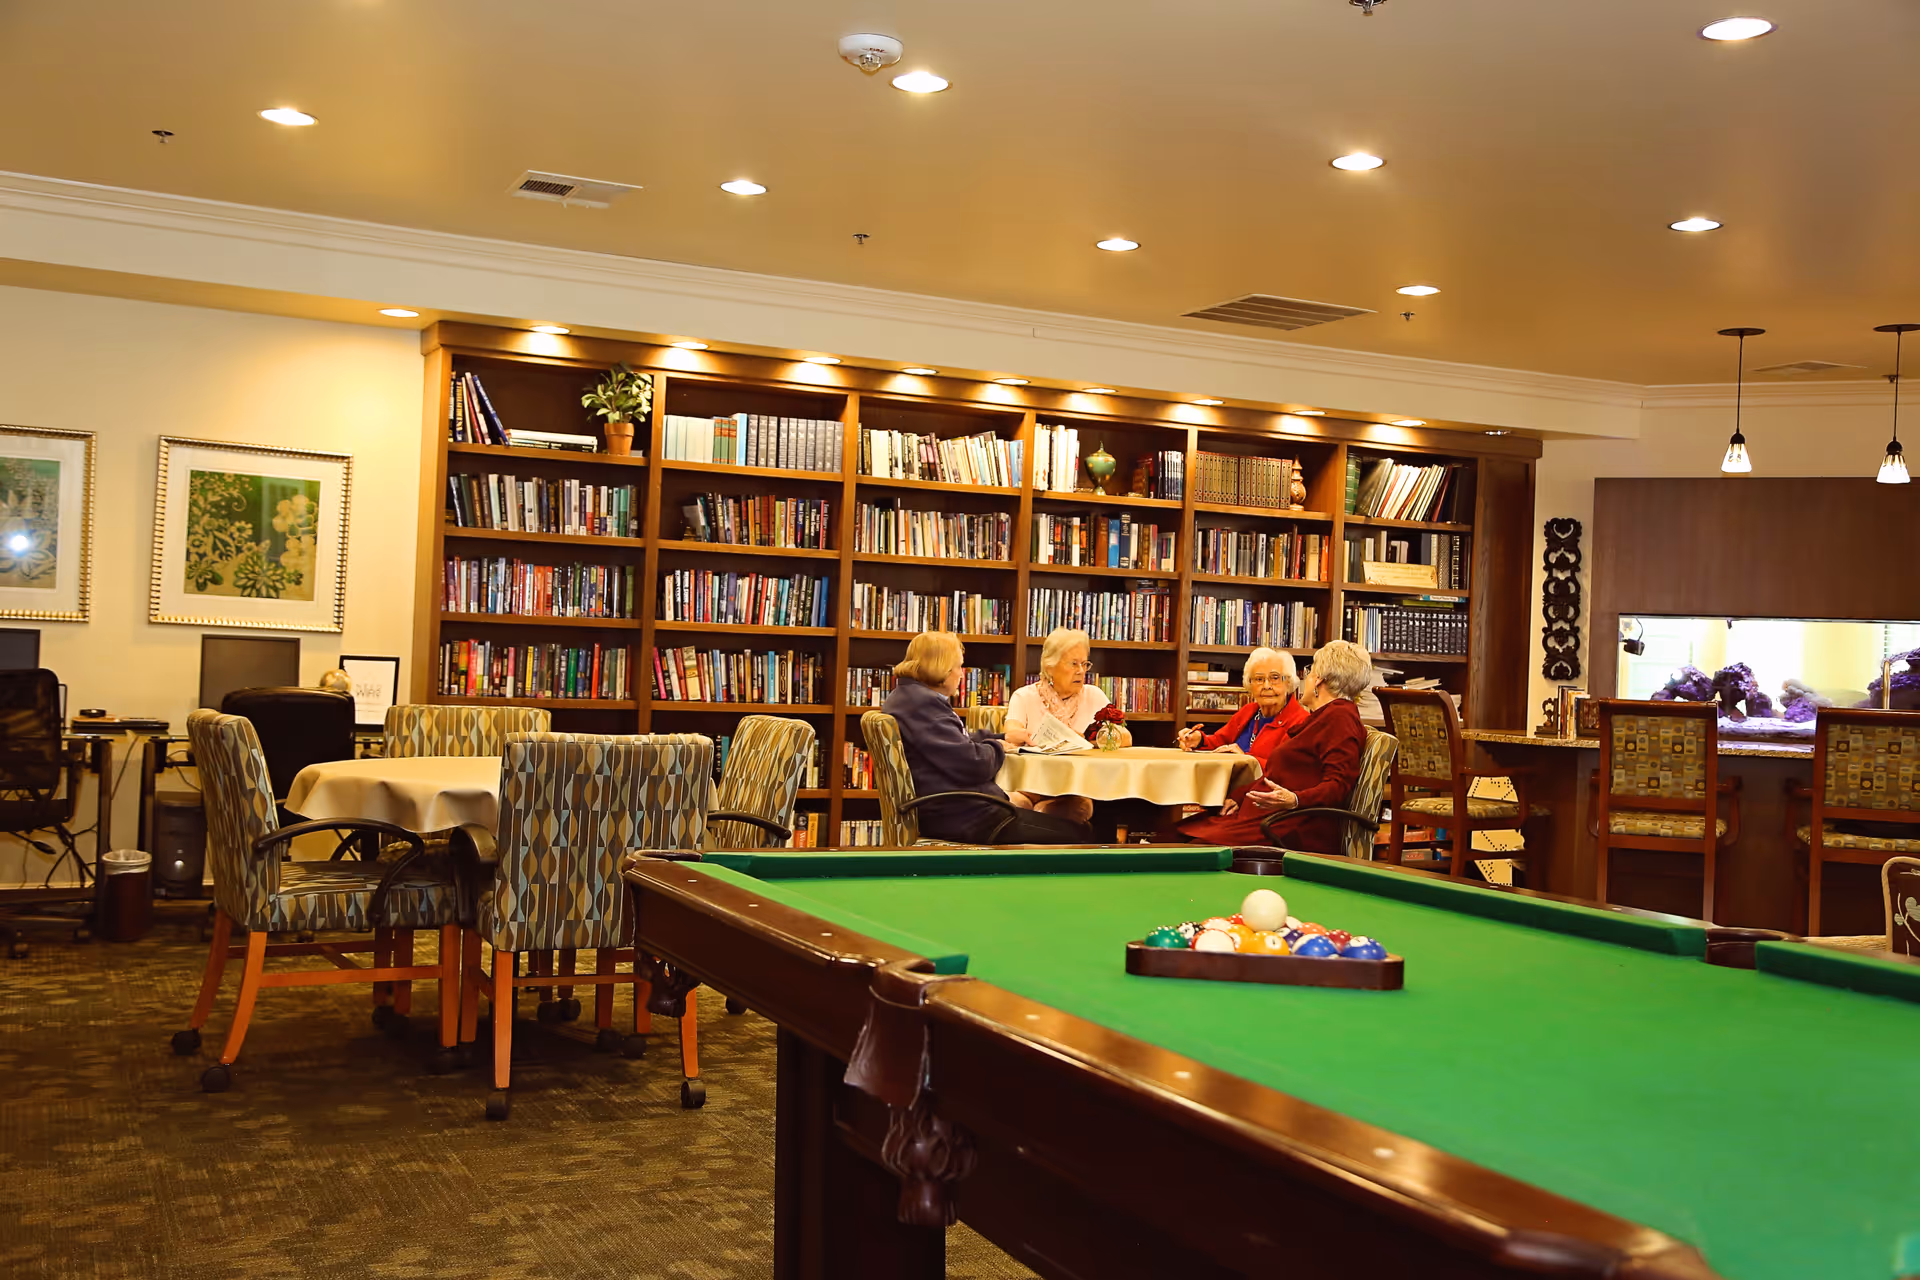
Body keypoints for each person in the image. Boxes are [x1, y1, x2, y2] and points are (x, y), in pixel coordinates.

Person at [881, 631, 1092, 845]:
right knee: (1081, 834)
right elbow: (973, 764)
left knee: (1066, 821)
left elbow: (955, 742)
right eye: (959, 666)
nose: (961, 675)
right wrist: (998, 746)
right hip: (966, 816)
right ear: (942, 668)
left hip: (954, 809)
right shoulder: (924, 706)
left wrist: (1003, 736)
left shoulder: (909, 698)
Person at [1178, 639, 1373, 852]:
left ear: (1318, 680)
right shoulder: (1324, 717)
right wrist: (1239, 796)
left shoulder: (1339, 718)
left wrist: (1295, 799)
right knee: (1175, 835)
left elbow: (1338, 785)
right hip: (1267, 817)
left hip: (1288, 825)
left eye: (1309, 671)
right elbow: (1281, 775)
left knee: (1183, 847)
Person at [1003, 627, 1131, 825]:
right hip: (1029, 786)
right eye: (1073, 664)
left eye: (1084, 663)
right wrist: (1021, 736)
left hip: (1077, 789)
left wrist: (1091, 739)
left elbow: (1126, 737)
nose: (1080, 671)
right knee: (1012, 805)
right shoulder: (1024, 696)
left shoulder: (1094, 695)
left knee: (1074, 807)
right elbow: (1011, 732)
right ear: (1050, 666)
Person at [1176, 647, 1309, 757]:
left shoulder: (1301, 722)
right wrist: (1198, 740)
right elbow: (1220, 741)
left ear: (1289, 682)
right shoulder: (1249, 711)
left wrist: (1246, 761)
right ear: (1250, 684)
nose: (1267, 685)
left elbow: (1289, 771)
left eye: (1275, 678)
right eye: (1259, 679)